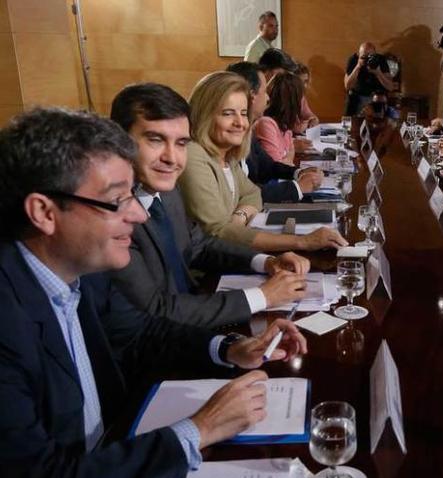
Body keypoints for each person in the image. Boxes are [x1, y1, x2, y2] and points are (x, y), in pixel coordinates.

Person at [0, 107, 308, 478]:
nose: (138, 215)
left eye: (133, 196)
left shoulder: (80, 270)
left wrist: (229, 348)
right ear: (44, 212)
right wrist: (199, 430)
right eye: (116, 201)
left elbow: (141, 333)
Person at [108, 82, 311, 329]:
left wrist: (266, 261)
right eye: (155, 140)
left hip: (195, 321)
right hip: (162, 342)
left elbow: (200, 245)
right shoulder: (112, 216)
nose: (171, 158)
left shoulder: (167, 191)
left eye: (181, 143)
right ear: (118, 142)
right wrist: (263, 296)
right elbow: (156, 310)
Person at [178, 71, 347, 252]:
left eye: (243, 113)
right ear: (205, 115)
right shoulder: (193, 155)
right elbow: (218, 233)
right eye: (228, 113)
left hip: (234, 252)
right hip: (208, 273)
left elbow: (253, 194)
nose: (240, 123)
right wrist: (303, 241)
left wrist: (239, 217)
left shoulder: (225, 153)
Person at [227, 61, 321, 203]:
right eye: (265, 92)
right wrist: (298, 187)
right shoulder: (231, 138)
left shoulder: (247, 132)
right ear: (252, 96)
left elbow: (269, 166)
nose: (268, 97)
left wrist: (299, 173)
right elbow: (246, 194)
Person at [343, 42, 394, 116]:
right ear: (359, 55)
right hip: (357, 97)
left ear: (375, 54)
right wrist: (358, 66)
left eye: (370, 56)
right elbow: (347, 86)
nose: (367, 60)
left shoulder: (380, 60)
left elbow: (390, 87)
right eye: (364, 57)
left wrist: (378, 72)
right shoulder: (353, 60)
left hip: (376, 99)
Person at [292, 63, 320, 132]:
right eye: (300, 82)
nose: (304, 86)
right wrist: (306, 123)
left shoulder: (301, 97)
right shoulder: (284, 98)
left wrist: (313, 119)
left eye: (306, 81)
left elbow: (309, 115)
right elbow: (296, 128)